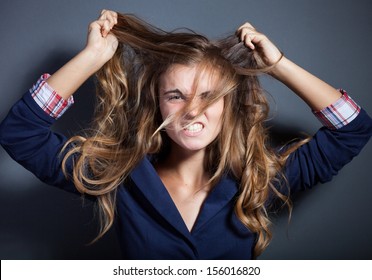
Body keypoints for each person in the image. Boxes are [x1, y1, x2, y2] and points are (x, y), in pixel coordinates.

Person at [0, 9, 371, 260]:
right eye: (176, 96)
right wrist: (94, 57)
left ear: (229, 106)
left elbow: (352, 128)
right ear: (157, 104)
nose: (192, 111)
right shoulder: (117, 178)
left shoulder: (259, 180)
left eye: (209, 97)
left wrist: (277, 66)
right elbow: (19, 133)